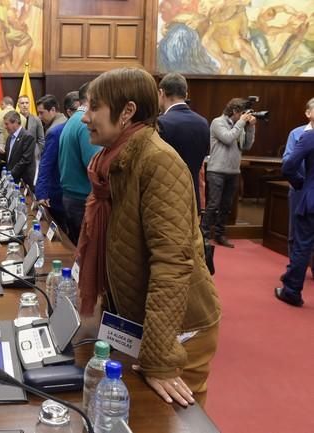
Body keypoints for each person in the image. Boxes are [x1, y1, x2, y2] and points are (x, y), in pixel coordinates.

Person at [78, 68, 221, 407]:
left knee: (170, 420)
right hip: (137, 322)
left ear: (126, 112)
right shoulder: (112, 162)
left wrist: (159, 359)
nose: (85, 118)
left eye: (94, 107)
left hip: (180, 332)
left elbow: (172, 264)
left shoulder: (158, 162)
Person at [201, 97, 256, 248]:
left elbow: (246, 145)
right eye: (243, 113)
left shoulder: (241, 125)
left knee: (226, 206)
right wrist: (241, 123)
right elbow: (227, 138)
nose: (245, 116)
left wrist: (250, 128)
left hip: (233, 171)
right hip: (216, 170)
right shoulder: (217, 122)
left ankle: (219, 234)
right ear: (234, 111)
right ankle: (204, 235)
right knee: (213, 204)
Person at [158, 72, 210, 210]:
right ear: (186, 95)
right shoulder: (203, 123)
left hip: (166, 200)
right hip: (193, 199)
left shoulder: (161, 123)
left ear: (161, 93)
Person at [58, 82, 102, 245]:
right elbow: (95, 167)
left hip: (71, 197)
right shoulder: (85, 124)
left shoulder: (72, 120)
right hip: (82, 200)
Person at [276, 129, 314, 307]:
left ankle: (291, 291)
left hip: (311, 200)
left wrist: (300, 183)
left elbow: (289, 165)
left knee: (302, 245)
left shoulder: (310, 136)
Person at [283, 98, 314, 278]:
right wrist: (300, 182)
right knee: (295, 233)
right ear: (308, 113)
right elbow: (288, 161)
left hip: (308, 188)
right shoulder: (297, 134)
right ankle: (293, 269)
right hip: (300, 189)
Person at [35, 94, 68, 233]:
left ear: (53, 110)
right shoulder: (67, 124)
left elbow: (46, 164)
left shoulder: (54, 131)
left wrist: (41, 193)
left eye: (42, 113)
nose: (39, 117)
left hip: (56, 191)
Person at [0, 110, 36, 190]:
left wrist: (10, 175)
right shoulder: (10, 137)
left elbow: (25, 160)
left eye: (7, 124)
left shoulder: (28, 137)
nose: (5, 127)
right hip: (12, 180)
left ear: (15, 122)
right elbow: (8, 158)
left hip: (23, 182)